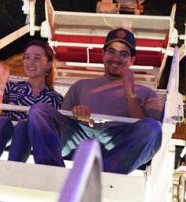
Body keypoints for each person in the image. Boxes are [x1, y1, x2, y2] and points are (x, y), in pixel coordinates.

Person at [24, 28, 163, 174]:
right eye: (111, 52)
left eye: (123, 54)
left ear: (132, 60)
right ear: (103, 55)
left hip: (117, 144)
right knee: (39, 110)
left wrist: (130, 94)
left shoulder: (147, 93)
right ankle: (52, 173)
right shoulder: (80, 85)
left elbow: (149, 131)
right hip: (79, 138)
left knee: (152, 128)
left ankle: (101, 175)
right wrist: (75, 113)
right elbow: (61, 124)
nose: (116, 58)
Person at [0, 40, 63, 161]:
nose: (30, 62)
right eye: (27, 57)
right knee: (2, 121)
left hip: (36, 146)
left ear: (49, 64)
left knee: (24, 126)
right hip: (4, 140)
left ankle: (13, 168)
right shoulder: (11, 87)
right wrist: (1, 83)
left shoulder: (56, 99)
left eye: (37, 58)